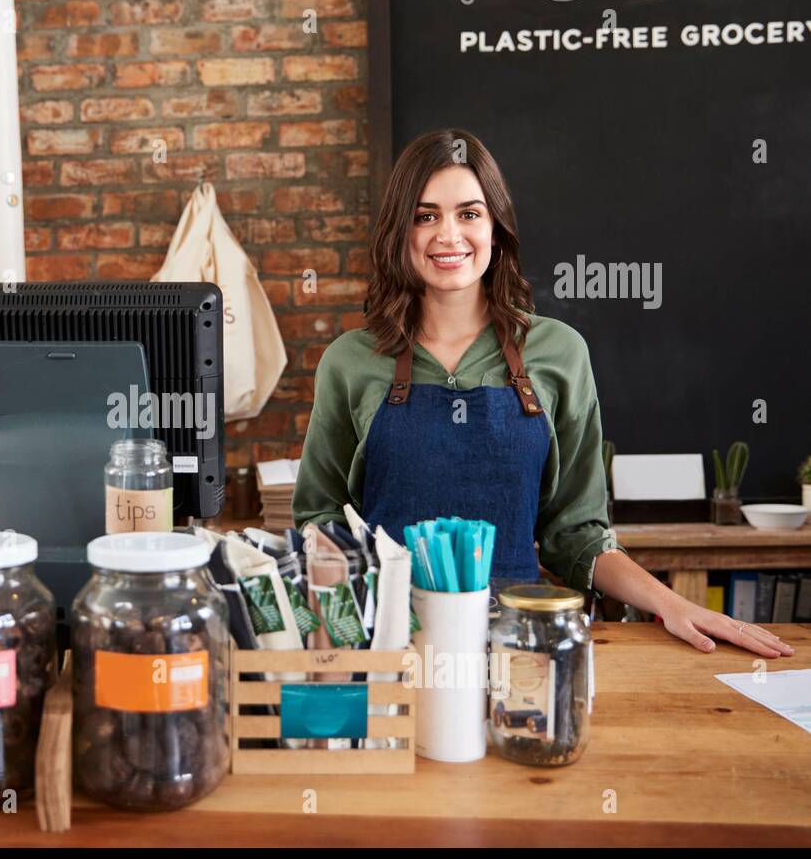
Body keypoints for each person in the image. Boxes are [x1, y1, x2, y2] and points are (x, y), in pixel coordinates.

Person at [293, 129, 792, 659]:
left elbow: (576, 534)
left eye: (468, 213)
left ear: (495, 227)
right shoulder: (350, 360)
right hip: (391, 648)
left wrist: (671, 604)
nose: (448, 235)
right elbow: (318, 523)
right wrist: (338, 651)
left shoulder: (558, 351)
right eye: (425, 215)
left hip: (521, 646)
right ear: (401, 230)